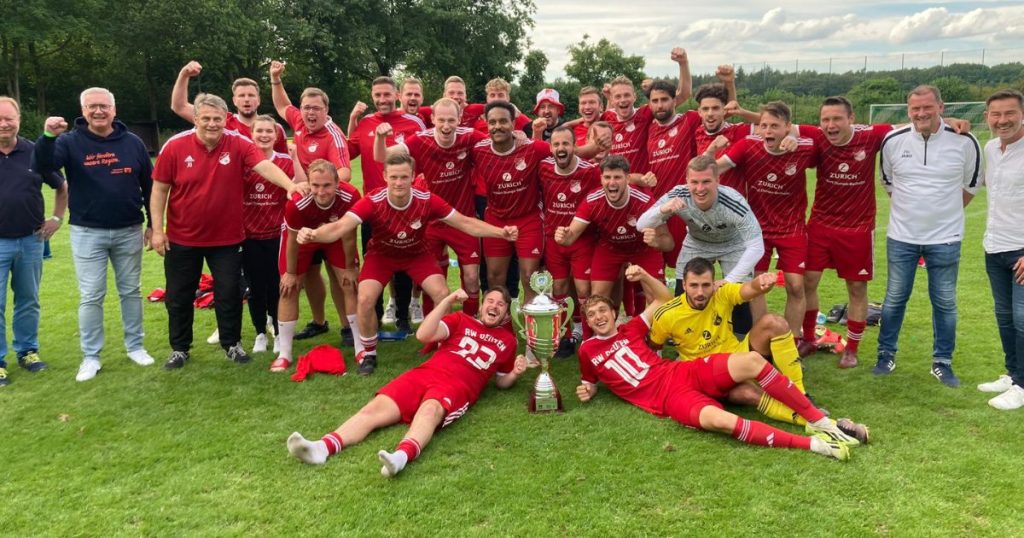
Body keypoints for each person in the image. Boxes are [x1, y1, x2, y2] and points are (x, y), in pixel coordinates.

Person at [575, 264, 860, 461]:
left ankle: (819, 420)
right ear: (587, 322)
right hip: (668, 399)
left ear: (614, 313)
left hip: (683, 371)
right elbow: (590, 381)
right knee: (722, 421)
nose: (599, 317)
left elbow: (661, 298)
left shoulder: (632, 328)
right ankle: (816, 445)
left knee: (751, 361)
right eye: (592, 315)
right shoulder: (587, 350)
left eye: (603, 310)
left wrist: (644, 276)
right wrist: (589, 390)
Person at [297, 152, 518, 376]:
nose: (399, 182)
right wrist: (313, 234)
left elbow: (464, 222)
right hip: (381, 255)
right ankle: (369, 354)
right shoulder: (373, 201)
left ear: (413, 176)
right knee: (364, 298)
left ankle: (446, 347)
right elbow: (340, 227)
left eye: (404, 177)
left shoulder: (426, 199)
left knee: (442, 293)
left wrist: (501, 233)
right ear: (384, 176)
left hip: (416, 254)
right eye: (393, 177)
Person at [286, 287, 528, 476]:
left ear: (506, 312)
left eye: (501, 304)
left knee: (431, 410)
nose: (494, 306)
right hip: (425, 372)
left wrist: (515, 373)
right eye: (490, 301)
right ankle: (322, 448)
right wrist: (446, 301)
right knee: (375, 408)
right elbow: (424, 335)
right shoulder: (460, 319)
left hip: (457, 386)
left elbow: (501, 383)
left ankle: (400, 457)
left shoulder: (507, 341)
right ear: (482, 304)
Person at [150, 93, 304, 370]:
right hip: (182, 236)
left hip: (227, 238)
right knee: (179, 295)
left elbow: (264, 166)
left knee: (230, 292)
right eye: (206, 119)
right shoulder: (174, 146)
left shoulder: (239, 143)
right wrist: (158, 230)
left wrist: (290, 186)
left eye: (217, 119)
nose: (212, 124)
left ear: (225, 120)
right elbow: (160, 188)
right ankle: (180, 348)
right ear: (195, 119)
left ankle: (231, 344)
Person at [33, 87, 156, 381]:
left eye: (103, 106)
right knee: (91, 296)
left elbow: (150, 185)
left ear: (114, 110)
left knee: (131, 291)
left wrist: (153, 224)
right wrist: (48, 136)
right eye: (92, 107)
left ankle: (135, 346)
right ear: (83, 110)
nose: (98, 111)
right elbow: (42, 165)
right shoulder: (69, 142)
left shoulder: (133, 142)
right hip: (87, 231)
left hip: (129, 228)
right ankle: (91, 356)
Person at [875, 85, 982, 386]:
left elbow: (971, 186)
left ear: (940, 107)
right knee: (895, 298)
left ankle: (942, 361)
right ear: (908, 111)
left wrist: (942, 213)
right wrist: (914, 213)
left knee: (945, 301)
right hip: (901, 236)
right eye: (915, 109)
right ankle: (885, 355)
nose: (921, 113)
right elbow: (888, 182)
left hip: (946, 238)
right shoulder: (893, 141)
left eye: (927, 107)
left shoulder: (965, 141)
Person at [794, 97, 892, 368]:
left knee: (857, 288)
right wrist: (742, 111)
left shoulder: (871, 135)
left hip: (857, 229)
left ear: (851, 118)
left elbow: (910, 127)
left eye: (837, 118)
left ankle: (852, 348)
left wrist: (949, 123)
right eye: (825, 119)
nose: (830, 125)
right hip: (821, 225)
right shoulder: (818, 136)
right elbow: (776, 124)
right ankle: (809, 339)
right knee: (807, 282)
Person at [711, 101, 817, 350]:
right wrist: (709, 153)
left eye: (774, 126)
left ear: (787, 127)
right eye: (763, 125)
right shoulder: (748, 146)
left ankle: (789, 344)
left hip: (792, 228)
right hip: (757, 229)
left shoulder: (804, 148)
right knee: (757, 284)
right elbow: (715, 167)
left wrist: (795, 138)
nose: (767, 131)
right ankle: (764, 341)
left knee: (796, 285)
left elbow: (829, 137)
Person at [376, 98, 488, 316]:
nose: (446, 126)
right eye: (441, 120)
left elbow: (498, 146)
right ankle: (434, 328)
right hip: (432, 221)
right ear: (433, 119)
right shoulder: (420, 140)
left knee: (473, 278)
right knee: (432, 280)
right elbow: (381, 156)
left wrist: (519, 135)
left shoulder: (469, 137)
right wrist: (380, 138)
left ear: (459, 120)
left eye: (451, 120)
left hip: (463, 220)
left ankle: (470, 322)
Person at [269, 60, 353, 342]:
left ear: (326, 111)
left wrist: (317, 185)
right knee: (313, 271)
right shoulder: (298, 121)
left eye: (316, 108)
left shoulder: (333, 136)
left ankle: (347, 327)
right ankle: (319, 321)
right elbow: (282, 107)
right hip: (305, 211)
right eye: (306, 108)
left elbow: (345, 172)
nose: (310, 113)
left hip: (329, 210)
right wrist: (276, 80)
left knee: (336, 270)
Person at [349, 76, 428, 332]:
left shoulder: (413, 122)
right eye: (377, 95)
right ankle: (376, 314)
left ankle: (403, 316)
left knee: (403, 263)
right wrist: (352, 120)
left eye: (387, 94)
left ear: (396, 95)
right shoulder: (366, 123)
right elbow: (349, 152)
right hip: (372, 207)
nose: (382, 100)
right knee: (372, 261)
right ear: (372, 97)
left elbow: (424, 158)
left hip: (404, 206)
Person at [0, 96, 67, 386]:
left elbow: (62, 186)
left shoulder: (33, 152)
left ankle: (28, 351)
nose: (4, 124)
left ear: (18, 120)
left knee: (28, 301)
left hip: (31, 240)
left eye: (9, 118)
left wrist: (56, 219)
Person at [274, 160, 360, 372]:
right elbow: (292, 240)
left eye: (327, 185)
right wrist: (291, 273)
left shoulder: (351, 196)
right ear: (308, 183)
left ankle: (361, 347)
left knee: (351, 284)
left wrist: (350, 267)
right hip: (302, 241)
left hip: (337, 237)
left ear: (338, 183)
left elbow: (349, 236)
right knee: (288, 288)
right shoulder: (297, 202)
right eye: (315, 185)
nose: (321, 192)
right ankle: (284, 354)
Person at [636, 154, 763, 294]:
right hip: (697, 243)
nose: (700, 188)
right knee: (683, 298)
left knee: (738, 304)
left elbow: (756, 246)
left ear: (717, 180)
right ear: (687, 181)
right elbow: (641, 225)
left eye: (706, 181)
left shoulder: (734, 203)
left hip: (733, 245)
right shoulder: (678, 194)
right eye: (694, 182)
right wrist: (662, 209)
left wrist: (730, 280)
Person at [554, 154, 669, 305]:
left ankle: (654, 328)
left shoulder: (644, 200)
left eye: (617, 177)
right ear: (601, 179)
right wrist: (562, 236)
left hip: (643, 248)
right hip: (610, 247)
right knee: (598, 298)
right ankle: (605, 327)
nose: (612, 182)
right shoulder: (592, 201)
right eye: (607, 177)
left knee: (657, 299)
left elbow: (669, 242)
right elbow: (570, 237)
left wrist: (657, 241)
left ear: (627, 179)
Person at [240, 115, 304, 355]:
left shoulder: (285, 161)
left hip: (277, 234)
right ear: (252, 134)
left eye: (269, 131)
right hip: (248, 235)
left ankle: (278, 333)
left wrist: (295, 156)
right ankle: (259, 333)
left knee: (277, 286)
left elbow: (300, 184)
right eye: (260, 131)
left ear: (277, 135)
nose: (264, 135)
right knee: (255, 287)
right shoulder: (243, 162)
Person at [977, 89, 1024, 408]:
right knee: (1005, 316)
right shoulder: (990, 148)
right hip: (995, 247)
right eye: (996, 114)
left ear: (1022, 113)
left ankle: (1022, 384)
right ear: (987, 117)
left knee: (1022, 318)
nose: (1002, 120)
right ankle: (1012, 373)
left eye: (1009, 113)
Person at [539, 125, 602, 349]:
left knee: (584, 290)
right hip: (554, 240)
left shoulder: (590, 171)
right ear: (551, 148)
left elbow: (598, 201)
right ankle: (564, 336)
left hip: (582, 240)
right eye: (556, 144)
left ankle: (587, 336)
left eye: (566, 143)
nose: (561, 148)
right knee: (559, 289)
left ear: (575, 146)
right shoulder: (543, 167)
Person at [601, 47, 692, 175]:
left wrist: (683, 63)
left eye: (627, 95)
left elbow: (683, 94)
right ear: (611, 99)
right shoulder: (606, 117)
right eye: (618, 96)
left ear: (635, 96)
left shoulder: (645, 113)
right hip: (616, 186)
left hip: (643, 187)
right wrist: (567, 125)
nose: (623, 100)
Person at [170, 61, 289, 155]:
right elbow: (179, 106)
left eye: (251, 95)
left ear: (258, 100)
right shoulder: (221, 120)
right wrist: (184, 75)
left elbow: (284, 162)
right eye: (242, 96)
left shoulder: (273, 129)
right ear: (234, 101)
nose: (246, 99)